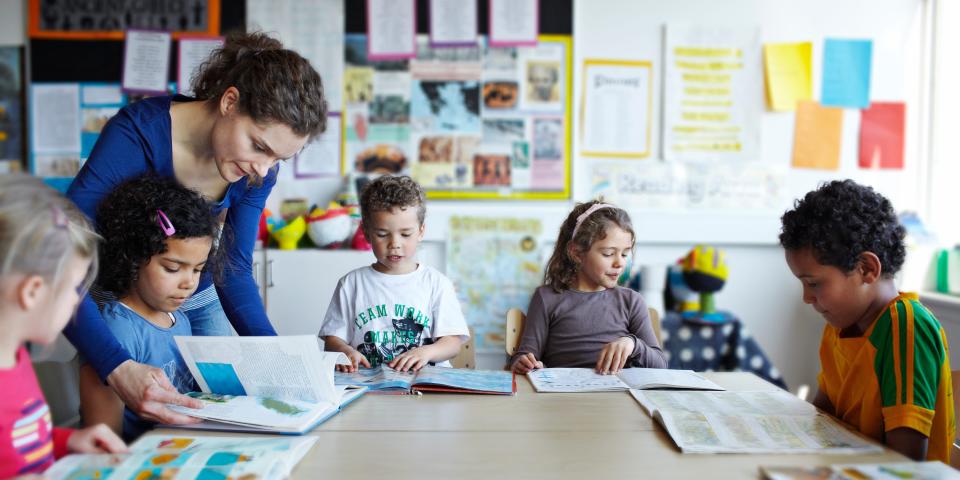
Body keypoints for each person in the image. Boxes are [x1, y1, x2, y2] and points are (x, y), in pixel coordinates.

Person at [64, 31, 328, 426]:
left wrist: (281, 361)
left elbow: (233, 269)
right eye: (258, 146)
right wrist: (116, 366)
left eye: (278, 159)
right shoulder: (136, 133)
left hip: (198, 295)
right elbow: (62, 258)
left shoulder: (258, 171)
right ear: (229, 101)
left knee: (217, 413)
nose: (262, 170)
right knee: (124, 413)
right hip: (116, 290)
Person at [780, 179, 954, 462]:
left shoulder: (906, 327)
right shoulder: (839, 326)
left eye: (813, 284)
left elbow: (905, 461)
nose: (806, 298)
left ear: (866, 269)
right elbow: (822, 416)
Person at [0, 174, 126, 476]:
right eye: (73, 288)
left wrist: (67, 441)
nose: (76, 301)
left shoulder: (15, 359)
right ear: (31, 292)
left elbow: (22, 444)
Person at [78, 176, 221, 441]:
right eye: (172, 268)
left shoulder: (178, 317)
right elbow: (103, 438)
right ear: (133, 257)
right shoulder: (117, 330)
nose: (189, 282)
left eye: (198, 269)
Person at [320, 175, 469, 372]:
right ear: (366, 233)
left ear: (421, 231)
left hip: (425, 388)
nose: (394, 244)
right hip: (369, 387)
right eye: (382, 234)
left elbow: (452, 343)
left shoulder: (436, 283)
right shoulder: (351, 284)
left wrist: (426, 352)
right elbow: (332, 339)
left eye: (406, 234)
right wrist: (344, 351)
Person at [510, 200, 667, 375]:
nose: (620, 263)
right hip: (562, 398)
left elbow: (661, 366)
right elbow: (524, 357)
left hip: (618, 399)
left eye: (624, 253)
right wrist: (525, 363)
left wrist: (633, 344)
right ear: (576, 253)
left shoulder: (631, 301)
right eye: (608, 254)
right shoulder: (546, 297)